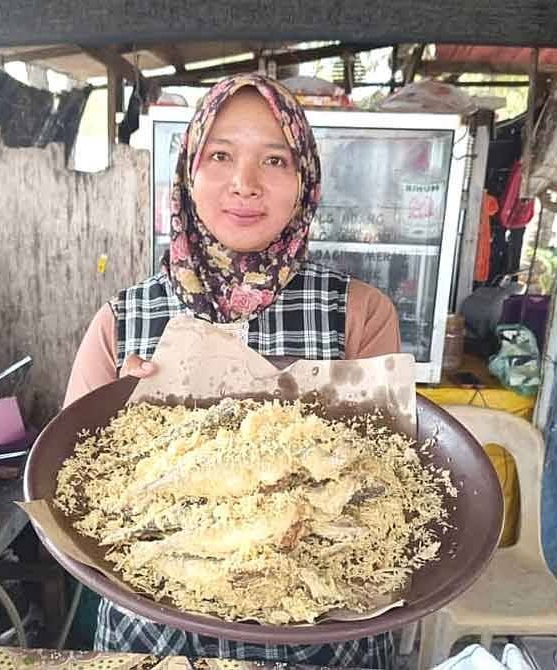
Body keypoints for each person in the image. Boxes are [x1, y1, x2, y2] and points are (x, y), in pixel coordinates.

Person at [64, 73, 401, 668]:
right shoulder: (122, 321)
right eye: (220, 155)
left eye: (274, 159)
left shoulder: (360, 313)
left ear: (305, 182)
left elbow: (385, 489)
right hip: (157, 634)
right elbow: (76, 497)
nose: (245, 184)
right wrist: (121, 412)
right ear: (188, 172)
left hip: (320, 633)